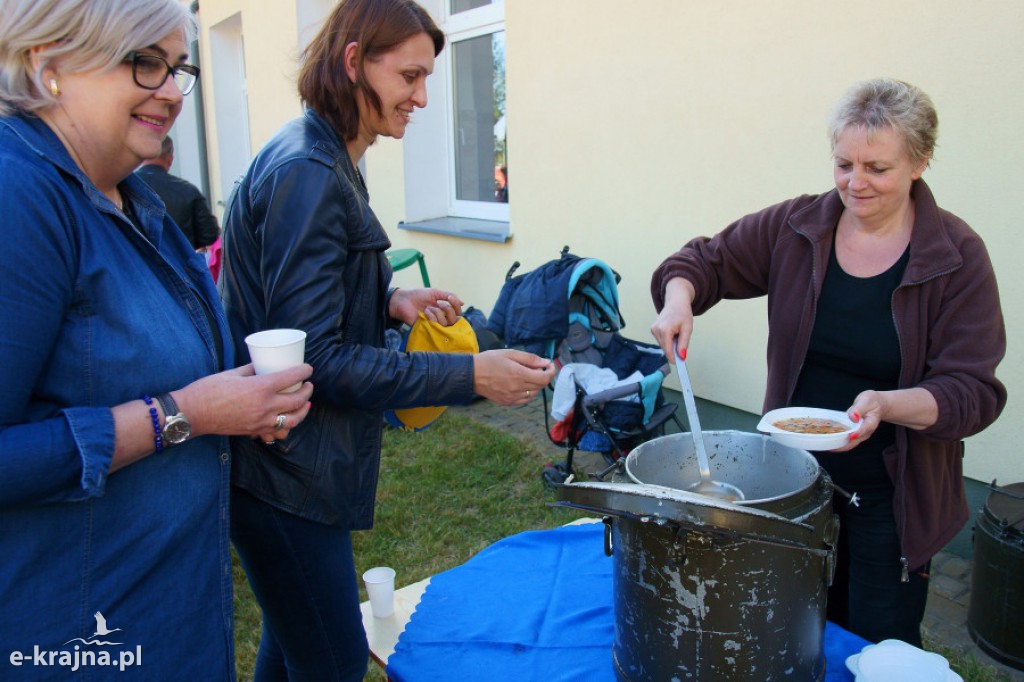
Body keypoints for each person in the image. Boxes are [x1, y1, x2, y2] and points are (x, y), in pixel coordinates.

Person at [217, 0, 555, 679]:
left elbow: (306, 304)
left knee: (293, 645)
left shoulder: (327, 151)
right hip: (287, 477)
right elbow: (316, 359)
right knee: (335, 660)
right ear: (353, 64)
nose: (423, 97)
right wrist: (471, 377)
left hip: (298, 469)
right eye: (409, 76)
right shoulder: (309, 172)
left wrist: (394, 299)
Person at [0, 1, 314, 678]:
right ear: (48, 63)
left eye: (177, 69)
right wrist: (186, 415)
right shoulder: (17, 195)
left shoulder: (134, 200)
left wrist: (248, 399)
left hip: (171, 617)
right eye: (145, 62)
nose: (171, 92)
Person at [649, 77, 1006, 647]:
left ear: (920, 163)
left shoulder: (956, 257)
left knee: (876, 640)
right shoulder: (799, 226)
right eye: (843, 164)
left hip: (893, 495)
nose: (854, 184)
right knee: (792, 628)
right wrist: (678, 300)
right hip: (793, 479)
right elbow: (702, 261)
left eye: (877, 169)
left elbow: (972, 392)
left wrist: (887, 406)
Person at [136, 135, 221, 251]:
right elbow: (210, 235)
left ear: (142, 154)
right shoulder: (188, 190)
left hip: (134, 264)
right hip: (179, 264)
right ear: (170, 159)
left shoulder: (122, 187)